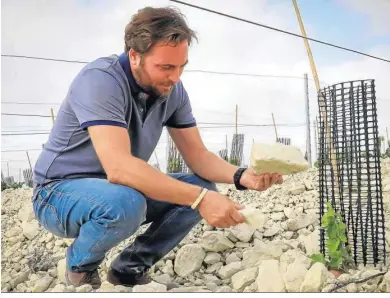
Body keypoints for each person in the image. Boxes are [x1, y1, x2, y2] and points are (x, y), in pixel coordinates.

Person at [32, 6, 283, 289]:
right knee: (134, 202)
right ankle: (80, 265)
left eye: (181, 67)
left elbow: (198, 156)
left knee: (203, 186)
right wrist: (200, 199)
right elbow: (119, 168)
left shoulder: (172, 91)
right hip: (57, 193)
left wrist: (242, 176)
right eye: (166, 67)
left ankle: (128, 268)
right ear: (134, 56)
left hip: (117, 188)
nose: (175, 77)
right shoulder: (100, 80)